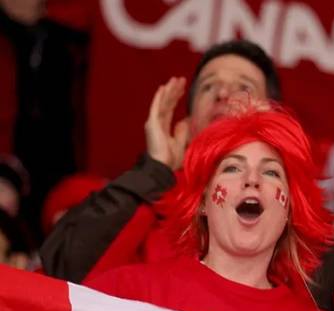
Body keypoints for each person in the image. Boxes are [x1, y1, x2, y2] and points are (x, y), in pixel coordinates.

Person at [40, 39, 282, 283]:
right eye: (208, 87)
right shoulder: (149, 198)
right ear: (189, 123)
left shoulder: (289, 206)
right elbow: (66, 272)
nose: (222, 94)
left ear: (271, 116)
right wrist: (155, 170)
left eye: (244, 87)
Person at [85, 107, 334, 311]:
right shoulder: (129, 293)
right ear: (202, 203)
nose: (252, 179)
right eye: (232, 168)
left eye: (271, 172)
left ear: (289, 210)